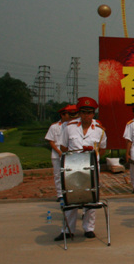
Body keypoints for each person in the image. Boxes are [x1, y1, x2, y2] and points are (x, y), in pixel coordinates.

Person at [54, 97, 107, 241]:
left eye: (89, 112)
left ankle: (89, 228)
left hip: (91, 168)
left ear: (93, 113)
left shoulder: (99, 130)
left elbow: (102, 149)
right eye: (83, 112)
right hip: (72, 167)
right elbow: (63, 147)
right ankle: (67, 229)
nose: (86, 115)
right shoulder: (70, 128)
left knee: (91, 198)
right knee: (70, 197)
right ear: (79, 113)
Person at [45, 104, 75, 202]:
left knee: (70, 174)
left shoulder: (72, 126)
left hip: (69, 154)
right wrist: (58, 151)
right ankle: (60, 194)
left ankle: (70, 192)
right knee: (58, 175)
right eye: (68, 114)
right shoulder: (54, 126)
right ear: (62, 115)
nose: (70, 116)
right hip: (56, 154)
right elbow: (51, 141)